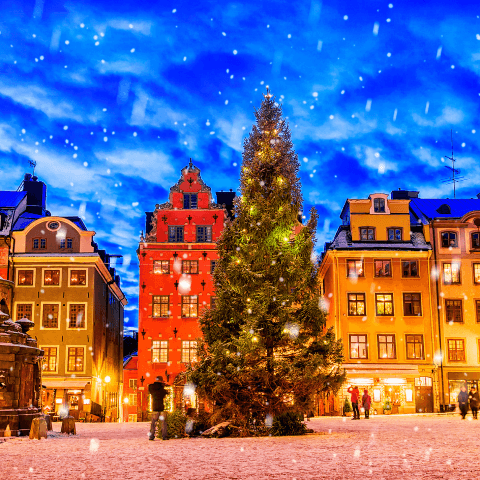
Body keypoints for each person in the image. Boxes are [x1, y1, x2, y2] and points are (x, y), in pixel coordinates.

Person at [148, 376, 168, 440]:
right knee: (163, 423)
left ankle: (151, 436)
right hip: (161, 408)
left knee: (153, 423)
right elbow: (164, 394)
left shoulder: (152, 387)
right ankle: (164, 436)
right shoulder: (162, 388)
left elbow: (151, 391)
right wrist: (162, 386)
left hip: (154, 407)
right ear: (161, 380)